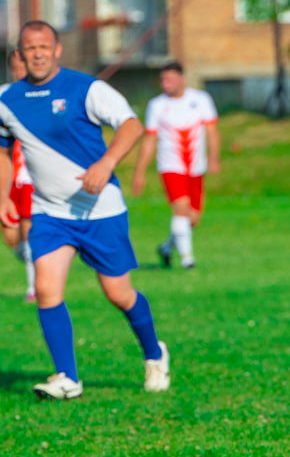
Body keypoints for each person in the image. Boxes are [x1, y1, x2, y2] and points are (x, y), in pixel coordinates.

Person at [0, 20, 170, 400]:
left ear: (57, 49)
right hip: (49, 214)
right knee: (45, 288)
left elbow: (130, 126)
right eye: (30, 48)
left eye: (45, 46)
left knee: (118, 293)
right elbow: (2, 151)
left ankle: (154, 353)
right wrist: (3, 196)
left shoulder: (87, 88)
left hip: (99, 211)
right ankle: (67, 377)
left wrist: (107, 162)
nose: (38, 53)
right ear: (20, 54)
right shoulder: (6, 99)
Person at [132, 61, 221, 270]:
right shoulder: (156, 105)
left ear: (182, 79)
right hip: (171, 166)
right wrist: (139, 172)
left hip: (196, 167)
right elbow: (149, 139)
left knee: (193, 220)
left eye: (170, 79)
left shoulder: (201, 99)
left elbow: (212, 130)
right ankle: (188, 260)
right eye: (162, 80)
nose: (165, 84)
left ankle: (166, 248)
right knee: (181, 209)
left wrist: (214, 157)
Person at [0, 50, 35, 301]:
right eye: (16, 68)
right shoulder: (4, 95)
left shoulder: (44, 94)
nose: (20, 73)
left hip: (33, 175)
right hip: (8, 172)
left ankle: (34, 288)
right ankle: (42, 259)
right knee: (10, 232)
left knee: (28, 227)